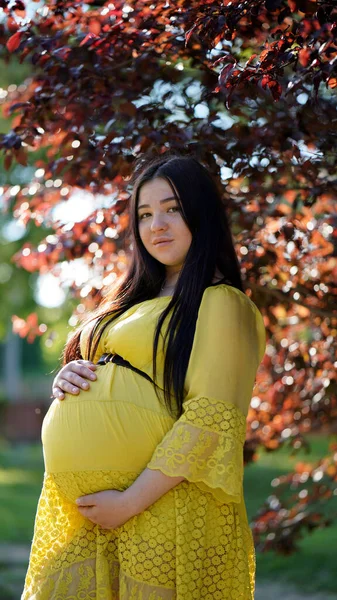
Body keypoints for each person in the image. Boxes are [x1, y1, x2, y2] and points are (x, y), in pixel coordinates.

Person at [22, 153, 266, 600]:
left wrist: (128, 503)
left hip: (159, 511)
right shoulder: (131, 301)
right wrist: (71, 376)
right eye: (145, 214)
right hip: (91, 519)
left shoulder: (221, 302)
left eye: (173, 209)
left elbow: (211, 417)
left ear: (202, 214)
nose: (157, 225)